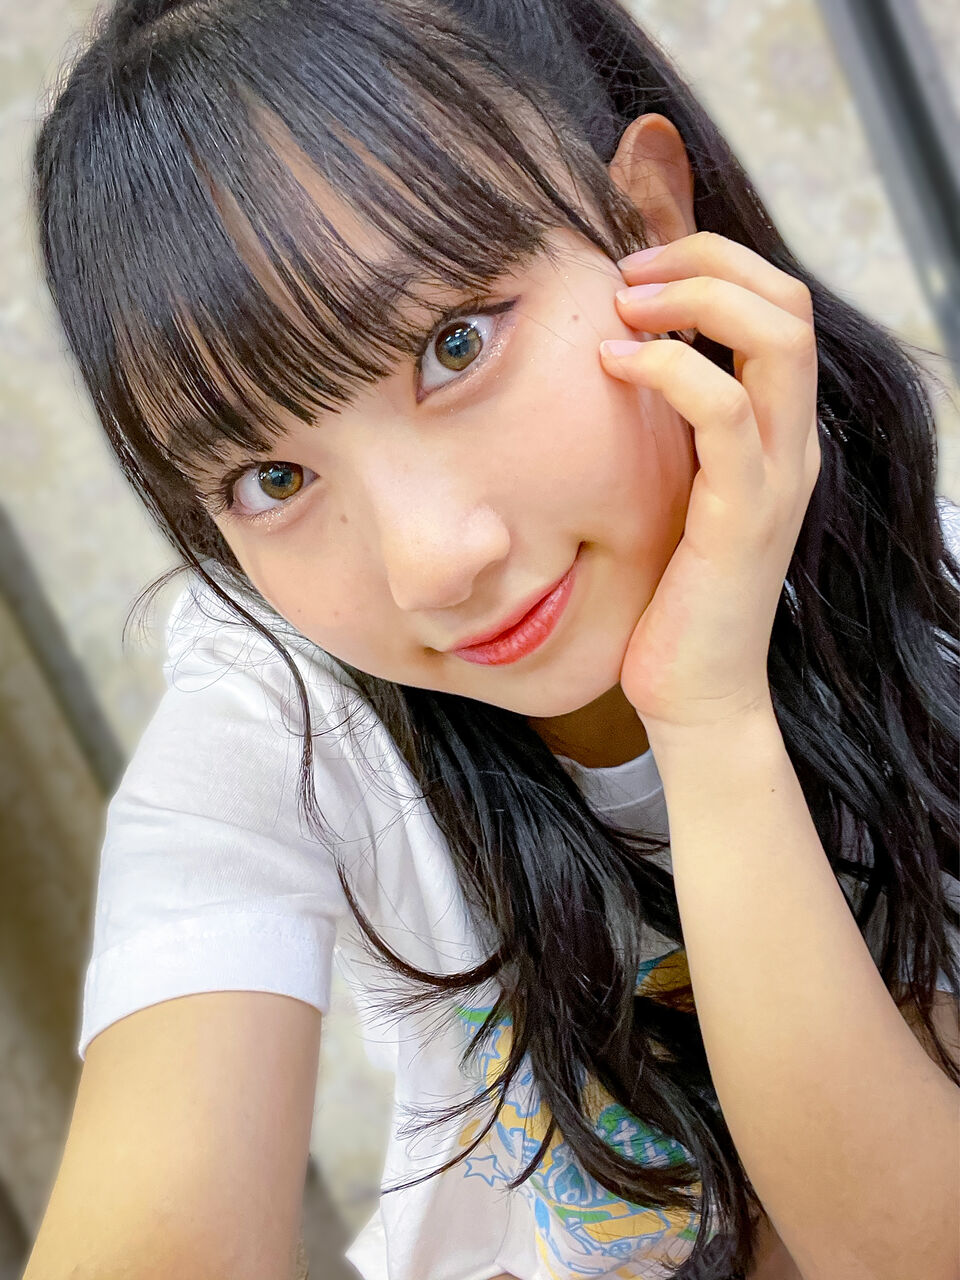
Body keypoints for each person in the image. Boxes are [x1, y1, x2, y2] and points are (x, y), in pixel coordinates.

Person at [23, 1, 960, 1278]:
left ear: (649, 224)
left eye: (454, 345)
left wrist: (708, 712)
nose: (431, 562)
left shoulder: (932, 606)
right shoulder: (281, 714)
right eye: (271, 478)